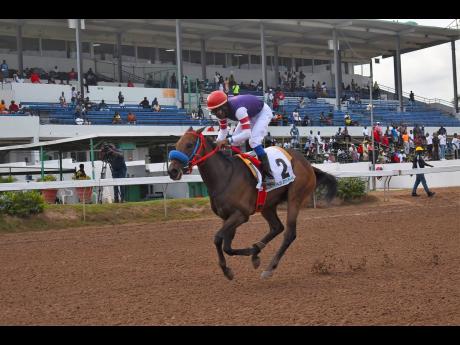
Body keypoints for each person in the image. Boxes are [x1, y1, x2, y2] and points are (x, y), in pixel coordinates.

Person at [206, 90, 274, 181]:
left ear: (224, 106)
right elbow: (223, 131)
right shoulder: (221, 113)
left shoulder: (239, 110)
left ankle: (269, 176)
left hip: (262, 113)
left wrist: (227, 140)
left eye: (217, 111)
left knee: (253, 141)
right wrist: (216, 144)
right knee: (235, 142)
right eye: (214, 112)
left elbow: (247, 133)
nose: (217, 114)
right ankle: (238, 170)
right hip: (250, 114)